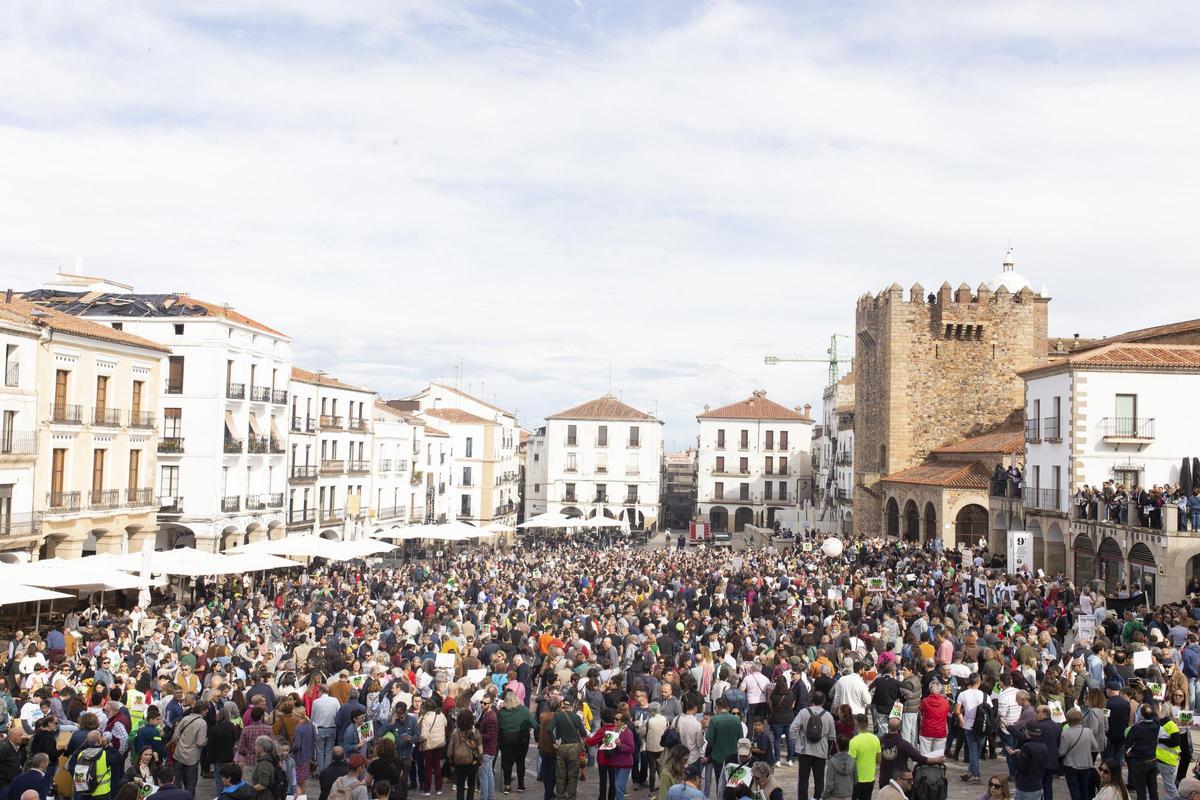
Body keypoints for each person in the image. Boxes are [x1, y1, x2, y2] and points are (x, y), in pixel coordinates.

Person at [791, 690, 835, 800]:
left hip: (805, 750)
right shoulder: (828, 716)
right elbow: (832, 736)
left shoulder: (803, 712)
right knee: (819, 779)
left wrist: (797, 741)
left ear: (812, 700)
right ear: (823, 701)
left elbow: (793, 728)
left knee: (803, 779)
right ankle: (818, 798)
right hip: (821, 751)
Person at [878, 717, 943, 787]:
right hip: (900, 780)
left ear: (887, 727)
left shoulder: (879, 741)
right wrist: (937, 760)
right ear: (899, 728)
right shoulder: (904, 744)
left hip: (884, 779)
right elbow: (920, 758)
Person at [551, 696, 586, 800]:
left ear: (563, 705)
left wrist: (554, 742)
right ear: (573, 704)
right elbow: (583, 733)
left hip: (561, 747)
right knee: (572, 776)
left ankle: (560, 796)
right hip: (574, 748)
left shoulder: (557, 716)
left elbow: (549, 730)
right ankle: (571, 797)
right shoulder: (576, 717)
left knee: (560, 775)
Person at [1059, 709, 1098, 800]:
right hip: (1086, 764)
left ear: (1068, 720)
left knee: (1074, 789)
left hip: (1071, 765)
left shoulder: (1065, 733)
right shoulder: (1088, 731)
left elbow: (1062, 752)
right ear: (1081, 719)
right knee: (1084, 788)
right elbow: (1095, 746)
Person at [1126, 704, 1161, 800]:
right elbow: (1155, 716)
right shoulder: (1156, 725)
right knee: (1153, 790)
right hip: (1153, 760)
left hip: (1140, 762)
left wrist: (1128, 753)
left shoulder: (1136, 728)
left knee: (1141, 791)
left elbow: (1128, 744)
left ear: (1141, 715)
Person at [956, 674, 986, 785]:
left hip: (968, 725)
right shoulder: (984, 695)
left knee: (973, 750)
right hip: (982, 727)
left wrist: (961, 719)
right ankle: (973, 772)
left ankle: (974, 773)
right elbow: (989, 710)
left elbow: (957, 710)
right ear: (978, 682)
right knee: (976, 750)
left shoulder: (963, 694)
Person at [448, 709, 483, 800]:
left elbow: (450, 750)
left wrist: (451, 762)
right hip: (472, 762)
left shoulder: (455, 732)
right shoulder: (476, 733)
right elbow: (480, 750)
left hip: (459, 762)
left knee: (460, 786)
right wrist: (480, 761)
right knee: (471, 786)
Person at [418, 697, 448, 797]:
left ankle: (427, 790)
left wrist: (418, 739)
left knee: (428, 768)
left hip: (430, 745)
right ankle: (439, 789)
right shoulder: (441, 714)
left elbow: (424, 735)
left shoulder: (426, 717)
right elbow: (445, 723)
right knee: (437, 766)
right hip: (439, 743)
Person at [847, 715, 880, 800]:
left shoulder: (853, 741)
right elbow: (879, 759)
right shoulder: (875, 739)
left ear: (856, 724)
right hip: (870, 778)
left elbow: (850, 763)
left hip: (856, 780)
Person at [822, 734, 856, 800]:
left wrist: (824, 796)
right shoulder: (852, 760)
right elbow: (855, 779)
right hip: (848, 795)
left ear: (837, 745)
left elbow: (829, 785)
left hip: (834, 795)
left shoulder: (832, 761)